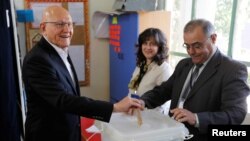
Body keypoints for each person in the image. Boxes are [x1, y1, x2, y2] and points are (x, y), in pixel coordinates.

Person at [22, 6, 142, 141]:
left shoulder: (60, 50)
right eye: (60, 24)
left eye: (69, 24)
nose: (67, 30)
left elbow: (71, 94)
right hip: (48, 135)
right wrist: (114, 107)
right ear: (43, 28)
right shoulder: (37, 59)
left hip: (69, 132)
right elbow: (63, 100)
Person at [139, 19, 249, 140]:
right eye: (187, 46)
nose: (191, 52)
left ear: (213, 38)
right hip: (174, 133)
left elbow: (236, 114)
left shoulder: (233, 70)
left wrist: (196, 118)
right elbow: (164, 91)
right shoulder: (183, 64)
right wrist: (142, 102)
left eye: (197, 46)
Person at [128, 28, 173, 114]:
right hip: (135, 112)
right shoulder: (141, 65)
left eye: (152, 44)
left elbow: (163, 100)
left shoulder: (164, 69)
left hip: (151, 117)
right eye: (145, 43)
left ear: (160, 47)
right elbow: (132, 89)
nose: (148, 47)